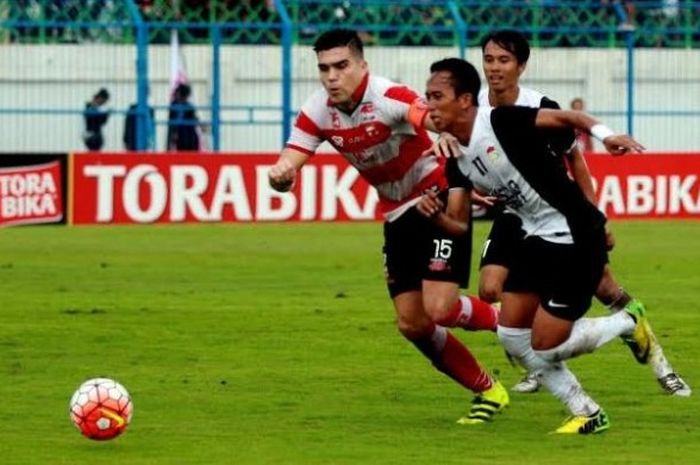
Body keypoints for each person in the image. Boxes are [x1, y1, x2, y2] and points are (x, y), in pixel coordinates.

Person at [268, 29, 508, 425]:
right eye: (324, 68)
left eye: (342, 66)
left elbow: (424, 115)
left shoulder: (387, 96)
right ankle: (488, 390)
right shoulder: (317, 111)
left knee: (441, 308)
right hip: (396, 215)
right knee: (413, 323)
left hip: (437, 199)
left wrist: (444, 133)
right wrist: (280, 175)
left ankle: (516, 327)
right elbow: (290, 159)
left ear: (363, 66)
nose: (332, 76)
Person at [424, 56, 655, 434]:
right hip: (535, 236)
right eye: (426, 97)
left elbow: (572, 120)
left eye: (436, 97)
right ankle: (588, 412)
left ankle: (627, 322)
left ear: (465, 100)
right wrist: (434, 216)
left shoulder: (499, 121)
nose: (429, 105)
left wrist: (607, 135)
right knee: (512, 337)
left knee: (545, 344)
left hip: (576, 235)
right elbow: (458, 225)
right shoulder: (455, 158)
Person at [474, 30, 690, 397]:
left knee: (606, 287)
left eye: (504, 60)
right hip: (514, 213)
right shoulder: (476, 106)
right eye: (490, 59)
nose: (495, 68)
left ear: (521, 66)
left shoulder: (540, 105)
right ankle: (539, 364)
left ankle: (660, 362)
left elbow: (574, 156)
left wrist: (592, 215)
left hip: (556, 209)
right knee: (490, 287)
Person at [167, 83, 200, 151]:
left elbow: (195, 120)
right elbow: (172, 125)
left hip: (189, 138)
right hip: (182, 139)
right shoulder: (174, 106)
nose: (175, 94)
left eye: (177, 92)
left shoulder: (188, 106)